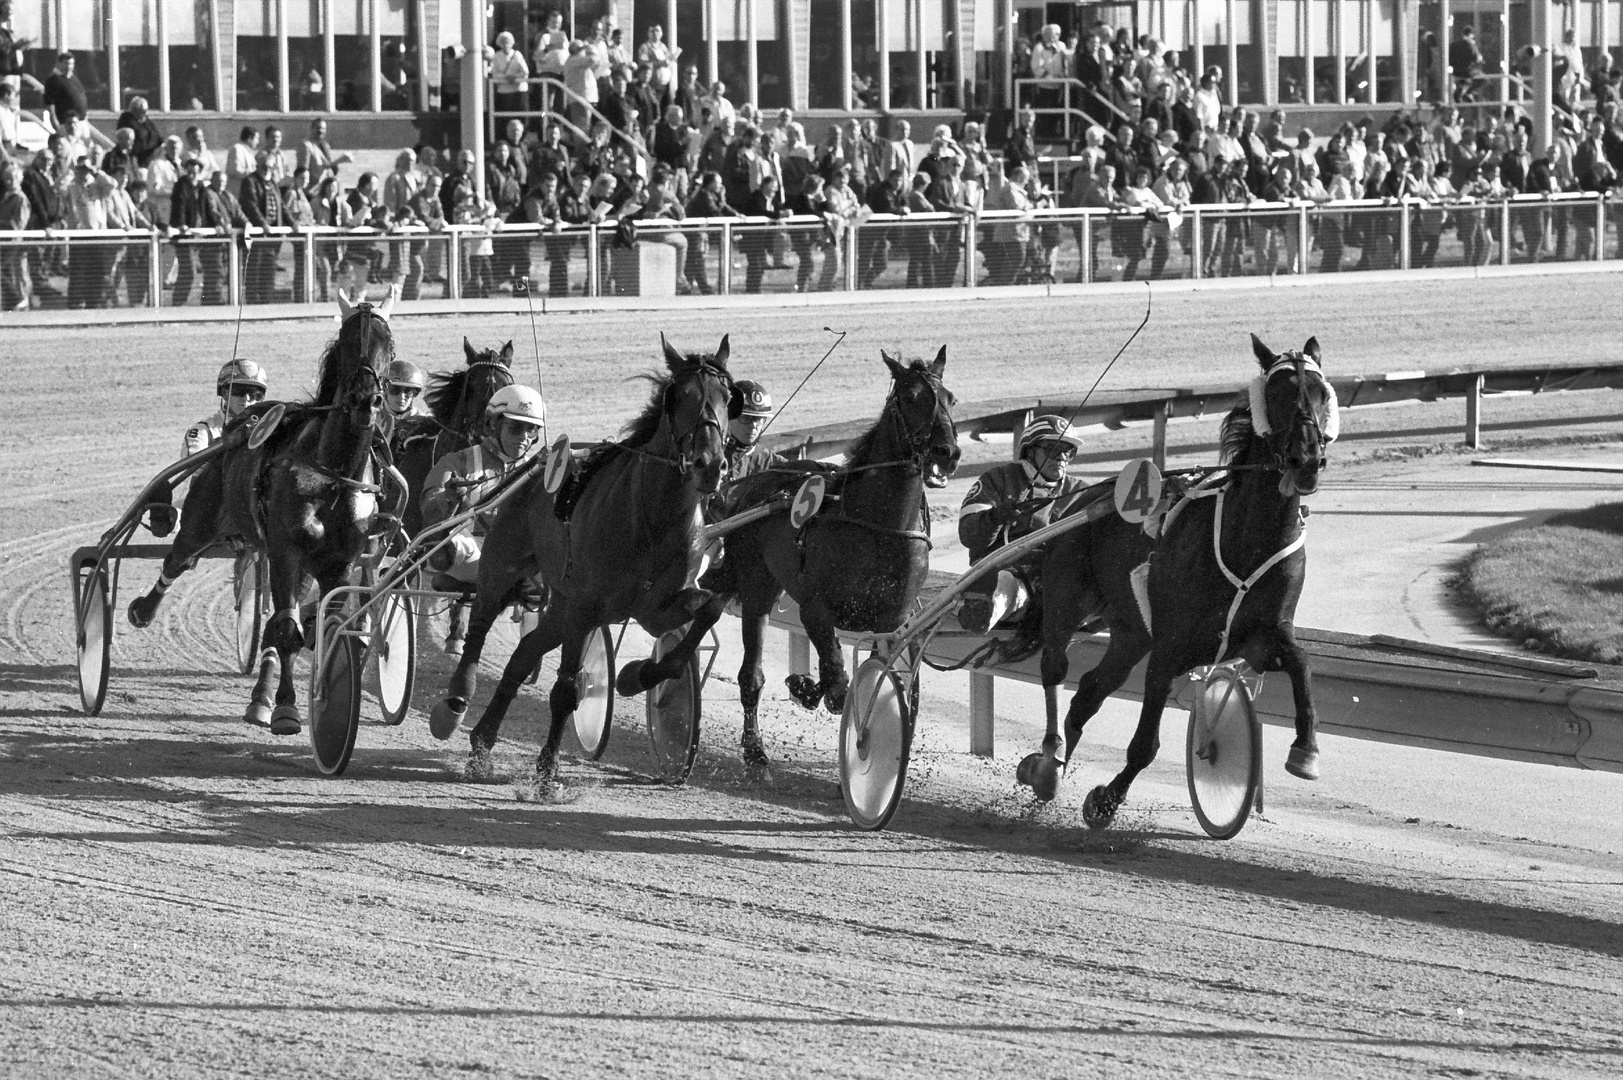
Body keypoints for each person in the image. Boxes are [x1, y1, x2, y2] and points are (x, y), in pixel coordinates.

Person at [420, 385, 547, 656]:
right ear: (493, 425)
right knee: (460, 545)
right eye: (516, 428)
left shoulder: (541, 468)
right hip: (470, 558)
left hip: (520, 557)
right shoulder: (459, 461)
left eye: (531, 430)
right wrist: (450, 497)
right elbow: (431, 506)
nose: (524, 438)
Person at [955, 415, 1088, 633]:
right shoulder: (998, 479)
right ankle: (988, 610)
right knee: (1010, 585)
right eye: (1054, 449)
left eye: (1069, 451)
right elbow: (969, 535)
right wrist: (996, 517)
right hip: (1002, 574)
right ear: (1030, 451)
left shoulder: (1080, 490)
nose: (1062, 456)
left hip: (1057, 579)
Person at [145, 359, 272, 538]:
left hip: (257, 501)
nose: (247, 399)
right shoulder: (204, 430)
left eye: (255, 394)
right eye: (239, 392)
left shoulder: (269, 430)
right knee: (188, 508)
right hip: (212, 503)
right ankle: (166, 520)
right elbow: (194, 465)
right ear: (224, 393)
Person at [43, 51, 87, 130]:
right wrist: (55, 123)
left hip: (81, 123)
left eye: (71, 64)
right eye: (66, 63)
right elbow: (50, 104)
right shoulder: (53, 80)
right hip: (66, 124)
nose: (69, 66)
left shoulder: (74, 78)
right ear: (59, 63)